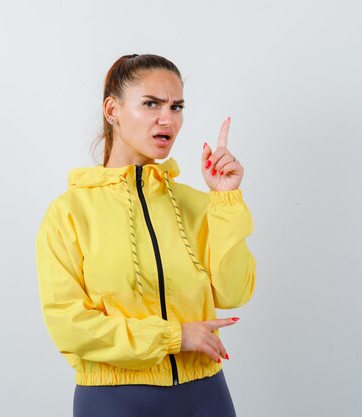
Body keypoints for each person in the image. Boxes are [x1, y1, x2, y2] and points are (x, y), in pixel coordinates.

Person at [35, 53, 257, 417]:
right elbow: (70, 326)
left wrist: (225, 200)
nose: (167, 118)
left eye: (177, 106)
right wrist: (174, 336)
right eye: (151, 103)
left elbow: (234, 293)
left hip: (205, 395)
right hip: (113, 400)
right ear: (112, 110)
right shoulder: (70, 214)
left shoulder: (197, 204)